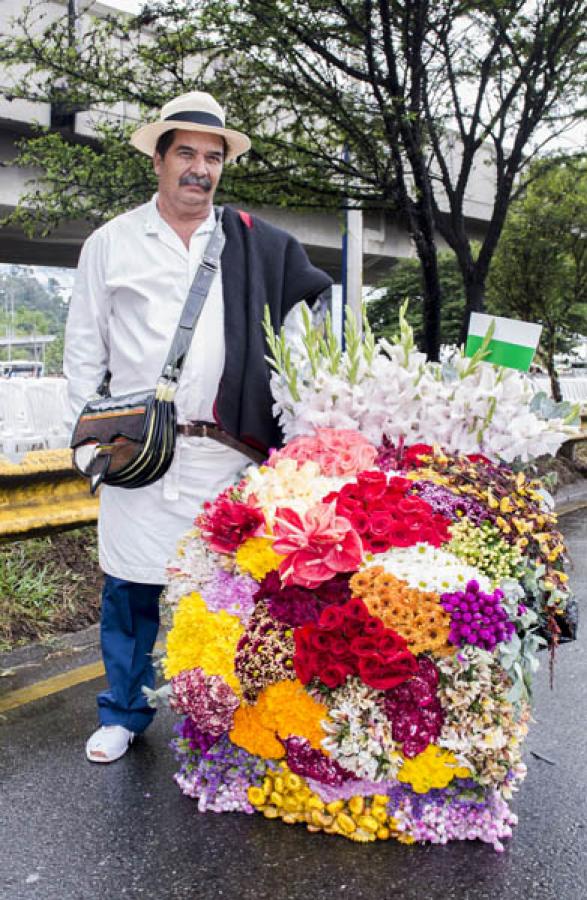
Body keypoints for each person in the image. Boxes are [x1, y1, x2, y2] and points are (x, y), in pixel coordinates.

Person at [64, 90, 332, 763]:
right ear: (158, 159)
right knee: (130, 589)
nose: (200, 168)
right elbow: (83, 348)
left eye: (212, 157)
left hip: (228, 451)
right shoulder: (112, 243)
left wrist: (306, 430)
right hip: (136, 449)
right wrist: (88, 446)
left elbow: (300, 334)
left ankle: (219, 718)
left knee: (224, 595)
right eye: (185, 152)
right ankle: (123, 713)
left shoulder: (253, 242)